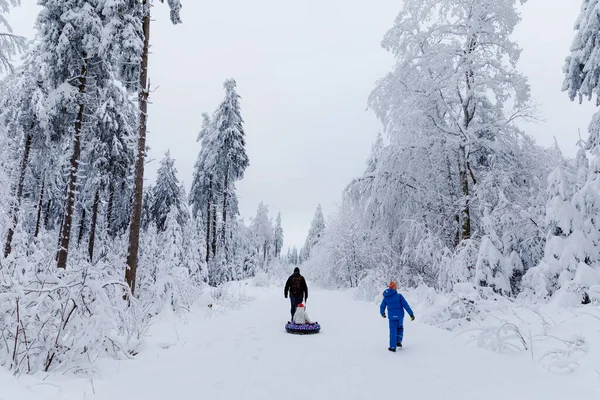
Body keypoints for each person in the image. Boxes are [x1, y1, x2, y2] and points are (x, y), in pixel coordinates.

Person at [380, 281, 415, 352]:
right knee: (400, 327)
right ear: (394, 287)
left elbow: (382, 306)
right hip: (400, 316)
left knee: (392, 330)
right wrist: (411, 314)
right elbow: (406, 305)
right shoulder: (399, 296)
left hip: (391, 317)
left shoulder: (386, 297)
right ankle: (398, 342)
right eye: (395, 286)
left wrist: (382, 313)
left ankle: (392, 347)